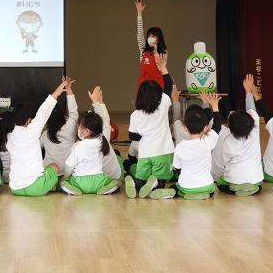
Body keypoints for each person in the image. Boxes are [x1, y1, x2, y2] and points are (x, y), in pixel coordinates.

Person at [8, 80, 68, 196]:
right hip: (35, 187)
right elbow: (43, 112)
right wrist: (55, 94)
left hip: (14, 187)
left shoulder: (11, 137)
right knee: (54, 166)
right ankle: (52, 185)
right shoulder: (31, 131)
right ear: (30, 121)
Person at [126, 54, 174, 198]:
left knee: (142, 178)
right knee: (161, 179)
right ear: (159, 95)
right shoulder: (163, 105)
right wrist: (162, 65)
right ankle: (157, 184)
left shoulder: (135, 114)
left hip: (145, 153)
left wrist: (144, 134)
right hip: (162, 151)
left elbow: (132, 135)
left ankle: (136, 184)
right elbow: (169, 86)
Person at [164, 87, 222, 200]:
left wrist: (175, 98)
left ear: (185, 127)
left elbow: (177, 168)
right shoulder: (208, 141)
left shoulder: (180, 145)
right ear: (206, 127)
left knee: (174, 185)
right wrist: (213, 105)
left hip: (187, 186)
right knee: (211, 189)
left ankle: (180, 193)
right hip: (207, 186)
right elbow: (217, 125)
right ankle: (203, 194)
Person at [216, 76, 264, 196]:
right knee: (258, 184)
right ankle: (251, 189)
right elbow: (251, 108)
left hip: (235, 178)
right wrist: (248, 91)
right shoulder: (255, 128)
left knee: (221, 183)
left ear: (230, 128)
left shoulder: (228, 139)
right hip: (255, 179)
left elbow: (224, 161)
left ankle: (236, 189)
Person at [59, 111, 121, 196]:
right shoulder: (101, 143)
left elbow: (69, 166)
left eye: (79, 126)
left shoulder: (77, 145)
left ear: (87, 131)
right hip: (98, 181)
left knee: (63, 184)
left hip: (79, 182)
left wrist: (66, 178)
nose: (78, 129)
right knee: (115, 182)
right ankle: (109, 189)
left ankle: (71, 190)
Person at [40, 77, 78, 179]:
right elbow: (74, 112)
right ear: (64, 117)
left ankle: (51, 181)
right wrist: (68, 89)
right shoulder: (69, 130)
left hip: (50, 172)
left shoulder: (45, 135)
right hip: (67, 172)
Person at [90, 86, 123, 181]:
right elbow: (106, 120)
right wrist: (99, 102)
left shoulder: (80, 142)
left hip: (93, 179)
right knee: (117, 153)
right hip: (114, 176)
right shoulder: (104, 135)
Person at [135, 0, 168, 90]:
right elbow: (140, 33)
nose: (150, 37)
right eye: (149, 35)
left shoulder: (163, 53)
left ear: (158, 39)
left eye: (153, 36)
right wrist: (139, 13)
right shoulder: (143, 49)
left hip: (157, 84)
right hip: (144, 83)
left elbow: (160, 68)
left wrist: (156, 52)